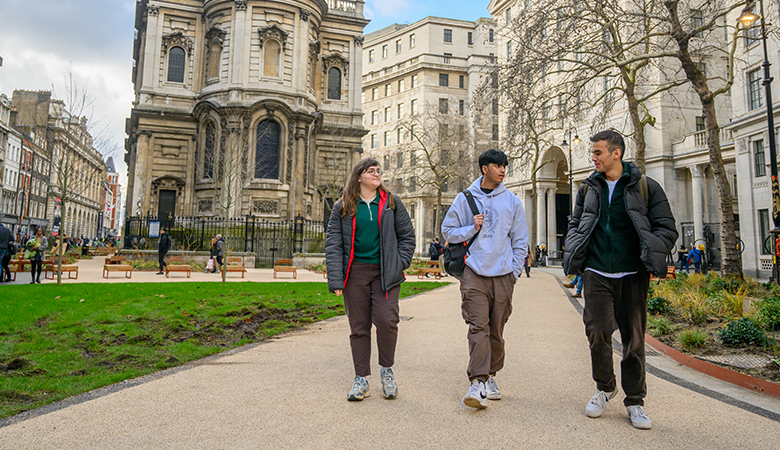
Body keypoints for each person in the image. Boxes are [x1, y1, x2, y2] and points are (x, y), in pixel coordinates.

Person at [563, 130, 677, 430]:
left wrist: (652, 249)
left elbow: (667, 228)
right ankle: (604, 387)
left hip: (633, 274)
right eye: (593, 152)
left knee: (633, 339)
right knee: (597, 331)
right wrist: (574, 248)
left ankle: (635, 401)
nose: (593, 157)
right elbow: (575, 223)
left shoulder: (646, 187)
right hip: (597, 271)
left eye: (598, 152)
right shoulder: (588, 188)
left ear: (617, 153)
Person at [441, 149, 528, 409]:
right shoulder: (464, 198)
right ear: (484, 168)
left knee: (496, 330)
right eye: (497, 165)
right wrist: (472, 228)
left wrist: (513, 273)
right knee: (477, 327)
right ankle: (477, 382)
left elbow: (520, 240)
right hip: (474, 273)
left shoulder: (512, 201)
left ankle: (491, 374)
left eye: (505, 166)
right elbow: (447, 231)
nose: (502, 170)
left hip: (503, 275)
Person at [325, 158, 415, 402]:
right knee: (359, 327)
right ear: (359, 177)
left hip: (385, 273)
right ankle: (361, 378)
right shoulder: (342, 206)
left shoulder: (391, 204)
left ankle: (387, 370)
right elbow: (333, 244)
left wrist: (400, 262)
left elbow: (407, 236)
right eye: (371, 171)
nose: (377, 174)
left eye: (378, 171)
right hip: (355, 274)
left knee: (387, 320)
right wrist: (336, 279)